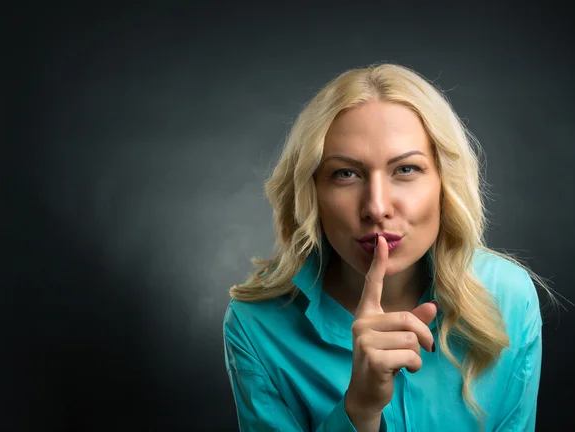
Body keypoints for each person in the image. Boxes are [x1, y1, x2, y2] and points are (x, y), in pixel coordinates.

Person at [222, 63, 553, 431]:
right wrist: (359, 410)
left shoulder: (508, 297)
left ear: (445, 182)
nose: (377, 207)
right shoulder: (256, 324)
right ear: (311, 191)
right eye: (346, 174)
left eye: (406, 170)